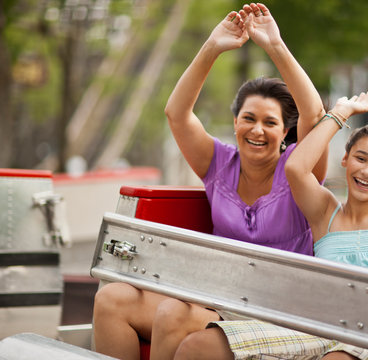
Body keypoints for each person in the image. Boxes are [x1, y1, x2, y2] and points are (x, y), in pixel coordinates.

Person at [172, 91, 368, 360]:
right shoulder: (325, 211)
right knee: (197, 347)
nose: (367, 172)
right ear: (346, 160)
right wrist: (339, 114)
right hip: (315, 326)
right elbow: (296, 168)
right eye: (360, 158)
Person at [92, 3, 328, 359]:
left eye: (269, 122)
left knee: (172, 314)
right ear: (235, 123)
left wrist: (275, 46)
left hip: (278, 310)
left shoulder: (299, 169)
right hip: (218, 299)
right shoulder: (218, 163)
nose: (257, 130)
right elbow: (177, 113)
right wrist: (213, 47)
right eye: (248, 118)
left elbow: (315, 114)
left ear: (285, 134)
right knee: (111, 298)